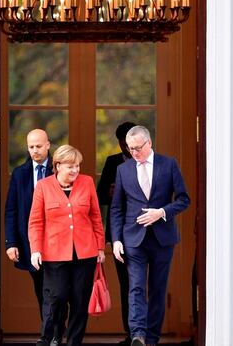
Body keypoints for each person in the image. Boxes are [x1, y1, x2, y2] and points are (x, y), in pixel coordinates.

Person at [110, 126, 190, 346]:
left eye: (138, 148)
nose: (134, 152)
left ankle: (152, 338)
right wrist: (116, 240)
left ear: (149, 143)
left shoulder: (169, 164)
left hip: (163, 238)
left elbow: (184, 199)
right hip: (133, 239)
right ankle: (138, 335)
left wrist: (161, 212)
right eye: (130, 148)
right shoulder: (123, 169)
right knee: (136, 287)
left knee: (157, 288)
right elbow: (116, 208)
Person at [28, 144, 106, 346]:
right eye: (70, 166)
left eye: (77, 166)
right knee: (58, 297)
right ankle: (55, 334)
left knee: (80, 301)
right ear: (57, 166)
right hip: (54, 253)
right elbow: (35, 222)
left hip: (85, 253)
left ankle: (73, 342)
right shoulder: (43, 186)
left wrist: (100, 247)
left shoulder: (87, 182)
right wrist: (35, 250)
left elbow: (96, 217)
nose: (75, 170)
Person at [4, 129, 64, 346]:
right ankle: (51, 333)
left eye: (39, 146)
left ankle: (54, 334)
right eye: (31, 147)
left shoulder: (59, 169)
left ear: (48, 145)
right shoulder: (20, 173)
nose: (35, 150)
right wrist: (11, 242)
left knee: (57, 291)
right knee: (42, 290)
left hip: (58, 241)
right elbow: (11, 210)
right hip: (30, 243)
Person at [97, 121, 137, 346]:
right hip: (119, 233)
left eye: (128, 143)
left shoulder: (148, 160)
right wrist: (109, 191)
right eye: (122, 144)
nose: (126, 148)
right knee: (126, 283)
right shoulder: (112, 162)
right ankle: (131, 334)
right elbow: (99, 196)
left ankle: (143, 332)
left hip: (144, 231)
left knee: (141, 284)